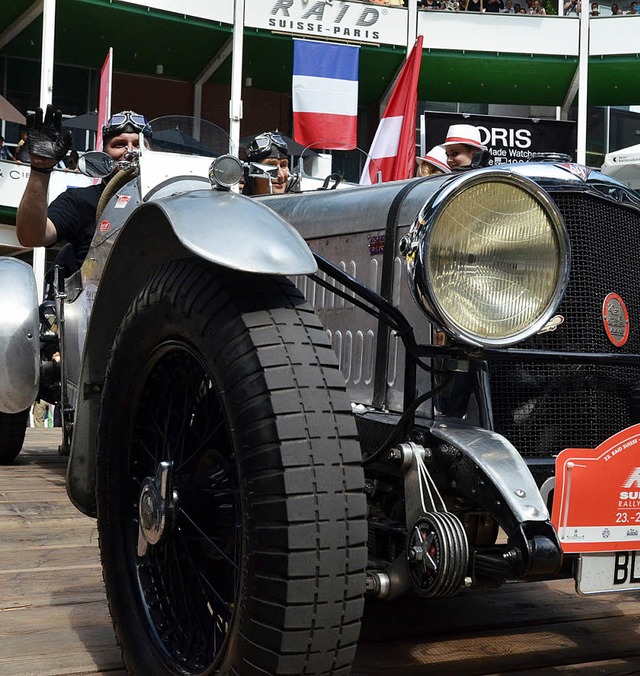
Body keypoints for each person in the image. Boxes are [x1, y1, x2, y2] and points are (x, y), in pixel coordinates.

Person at [16, 106, 149, 273]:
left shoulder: (166, 199)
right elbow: (30, 236)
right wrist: (40, 168)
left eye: (138, 145)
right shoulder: (79, 200)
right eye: (120, 144)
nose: (131, 152)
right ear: (104, 154)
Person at [243, 131, 290, 196]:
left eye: (283, 166)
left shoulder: (299, 204)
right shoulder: (238, 205)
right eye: (271, 166)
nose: (281, 175)